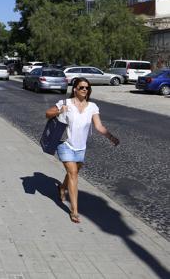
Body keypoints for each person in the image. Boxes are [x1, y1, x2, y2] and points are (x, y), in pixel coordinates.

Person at [45, 77, 119, 223]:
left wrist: (111, 137)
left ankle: (62, 188)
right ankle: (74, 211)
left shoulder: (92, 107)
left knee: (73, 172)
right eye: (81, 87)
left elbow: (98, 126)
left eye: (87, 88)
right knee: (73, 174)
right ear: (75, 89)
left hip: (81, 147)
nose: (85, 90)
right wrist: (59, 111)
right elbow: (47, 114)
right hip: (64, 143)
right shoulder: (65, 103)